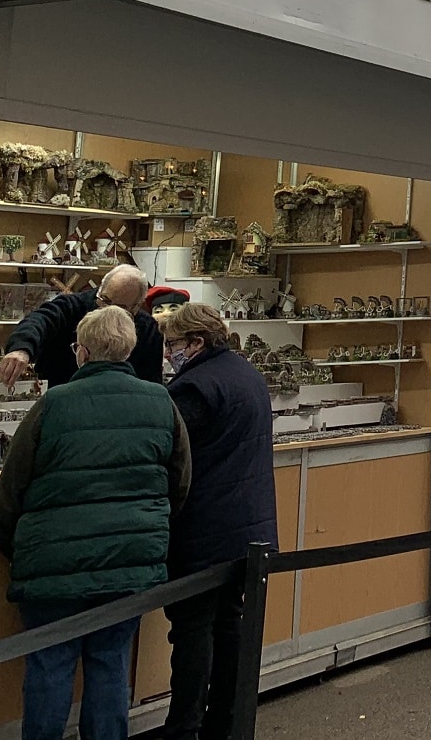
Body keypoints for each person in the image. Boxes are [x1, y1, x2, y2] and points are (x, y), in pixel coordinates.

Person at [0, 307, 192, 740]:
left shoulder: (54, 403)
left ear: (81, 352)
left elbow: (11, 488)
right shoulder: (161, 402)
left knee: (49, 666)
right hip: (129, 562)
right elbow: (179, 483)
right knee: (110, 666)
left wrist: (17, 546)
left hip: (53, 561)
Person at [160, 304, 279, 740]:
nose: (168, 353)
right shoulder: (247, 374)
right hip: (248, 525)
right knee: (230, 625)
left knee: (192, 630)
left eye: (172, 344)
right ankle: (226, 725)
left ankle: (184, 727)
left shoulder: (193, 388)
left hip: (203, 526)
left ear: (195, 343)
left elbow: (171, 451)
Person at [0, 264, 164, 387]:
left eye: (119, 308)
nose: (107, 309)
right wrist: (22, 348)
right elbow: (40, 319)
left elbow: (149, 381)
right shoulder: (72, 306)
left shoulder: (148, 330)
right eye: (105, 300)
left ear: (136, 307)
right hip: (62, 395)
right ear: (100, 289)